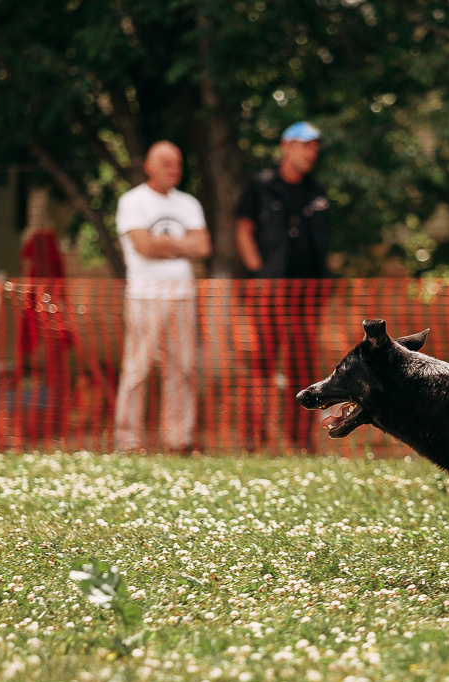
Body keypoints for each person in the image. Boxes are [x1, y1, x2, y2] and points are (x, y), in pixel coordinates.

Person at [233, 120, 333, 453]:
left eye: (314, 147)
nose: (310, 153)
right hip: (268, 294)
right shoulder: (260, 186)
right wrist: (260, 275)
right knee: (262, 366)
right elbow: (243, 231)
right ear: (285, 146)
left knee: (303, 368)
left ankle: (299, 441)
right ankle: (252, 438)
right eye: (305, 146)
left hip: (307, 296)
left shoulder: (316, 192)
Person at [113, 140, 212, 454]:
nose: (174, 170)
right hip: (144, 296)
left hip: (182, 296)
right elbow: (143, 246)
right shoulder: (133, 202)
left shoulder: (189, 204)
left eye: (178, 164)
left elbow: (203, 247)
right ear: (149, 166)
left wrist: (163, 243)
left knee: (183, 369)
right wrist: (181, 244)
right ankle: (128, 441)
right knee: (137, 369)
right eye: (167, 164)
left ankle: (178, 439)